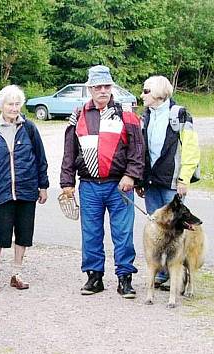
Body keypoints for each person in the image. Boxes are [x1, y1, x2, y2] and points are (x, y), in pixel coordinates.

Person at [60, 65, 144, 299]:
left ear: (112, 87)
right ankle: (94, 277)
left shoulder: (126, 113)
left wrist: (131, 175)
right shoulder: (78, 115)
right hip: (88, 185)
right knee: (91, 234)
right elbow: (69, 150)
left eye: (107, 86)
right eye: (98, 87)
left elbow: (138, 149)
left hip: (119, 185)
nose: (103, 91)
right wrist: (67, 182)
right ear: (90, 89)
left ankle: (125, 278)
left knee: (123, 233)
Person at [0, 85, 49, 294]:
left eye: (17, 104)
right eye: (10, 104)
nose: (14, 108)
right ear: (1, 105)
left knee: (24, 233)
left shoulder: (29, 128)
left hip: (27, 189)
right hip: (2, 191)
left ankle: (17, 273)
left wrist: (43, 186)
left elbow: (40, 158)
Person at [136, 75, 201, 288]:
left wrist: (185, 178)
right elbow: (142, 150)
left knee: (178, 232)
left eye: (146, 91)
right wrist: (140, 179)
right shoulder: (145, 116)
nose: (142, 95)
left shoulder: (180, 115)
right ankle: (161, 273)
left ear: (158, 93)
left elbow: (191, 149)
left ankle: (181, 275)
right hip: (151, 181)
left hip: (172, 182)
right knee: (157, 231)